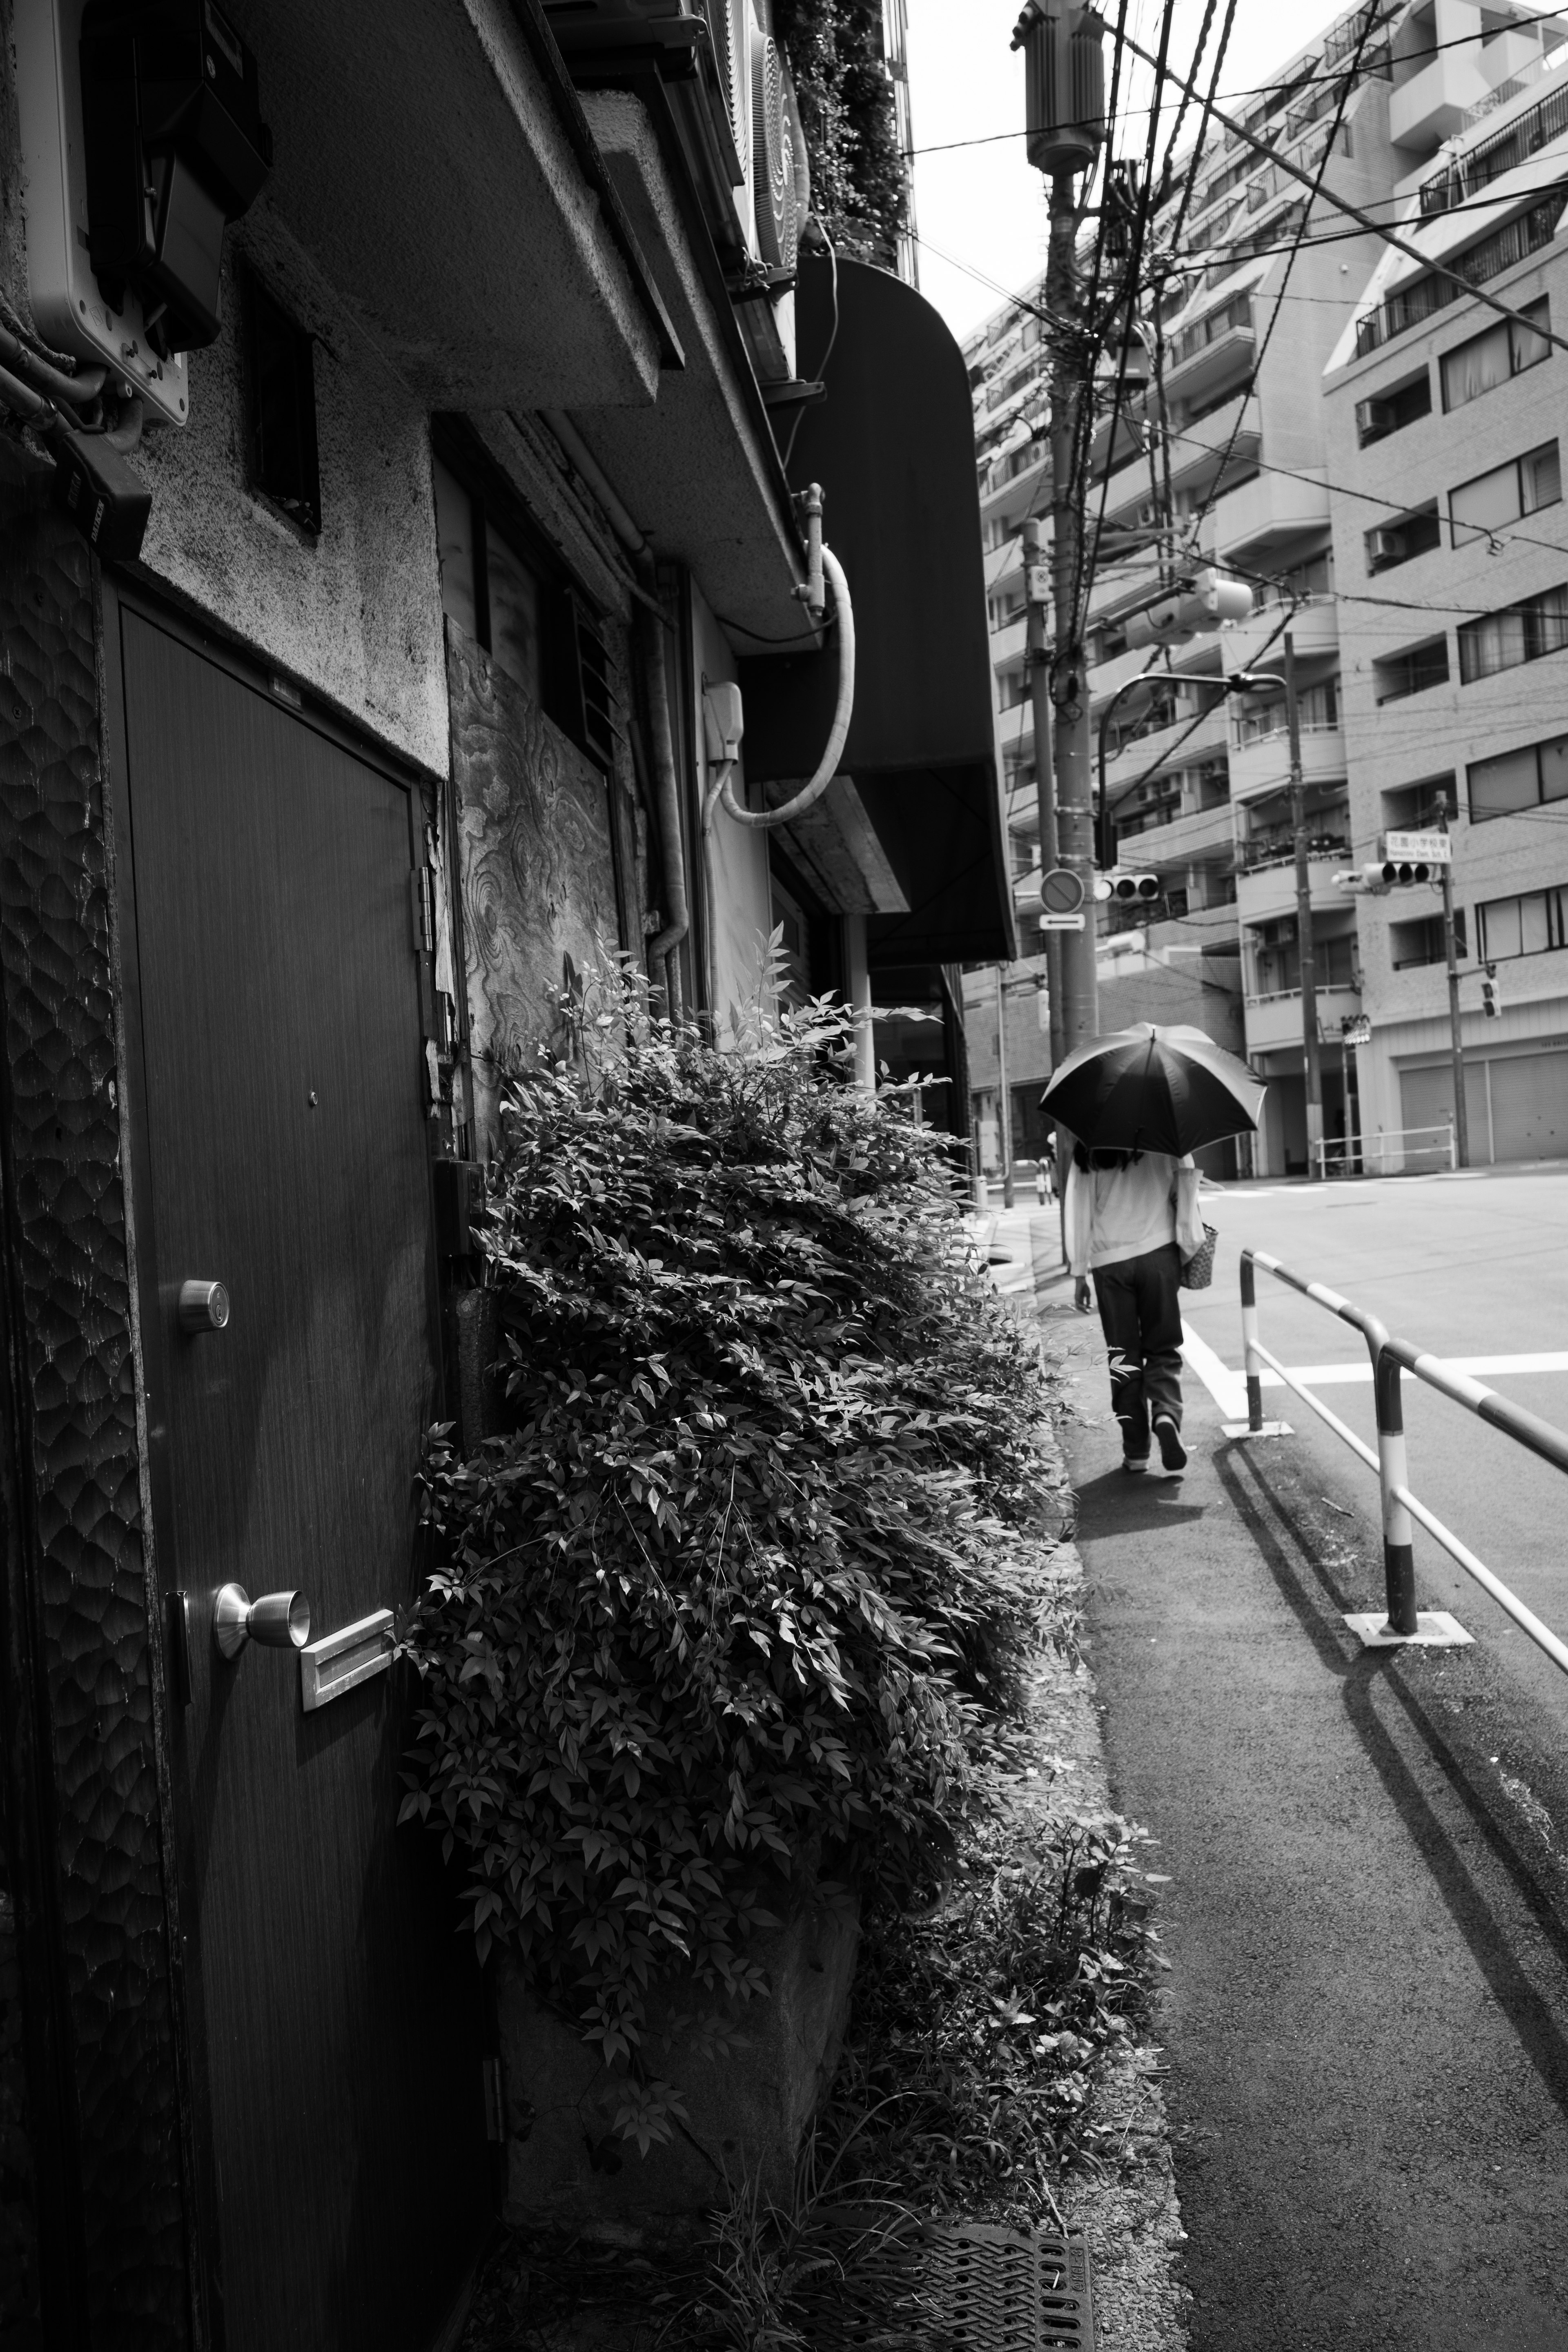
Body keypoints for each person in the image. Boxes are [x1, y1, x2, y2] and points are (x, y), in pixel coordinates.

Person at [1065, 1136, 1206, 1474]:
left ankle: (1137, 1451)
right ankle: (1166, 1414)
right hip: (1159, 1253)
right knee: (1163, 1347)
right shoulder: (1168, 1134)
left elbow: (1079, 1208)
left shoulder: (1092, 1140)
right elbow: (1186, 1188)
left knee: (1122, 1357)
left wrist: (1079, 1271)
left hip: (1109, 1260)